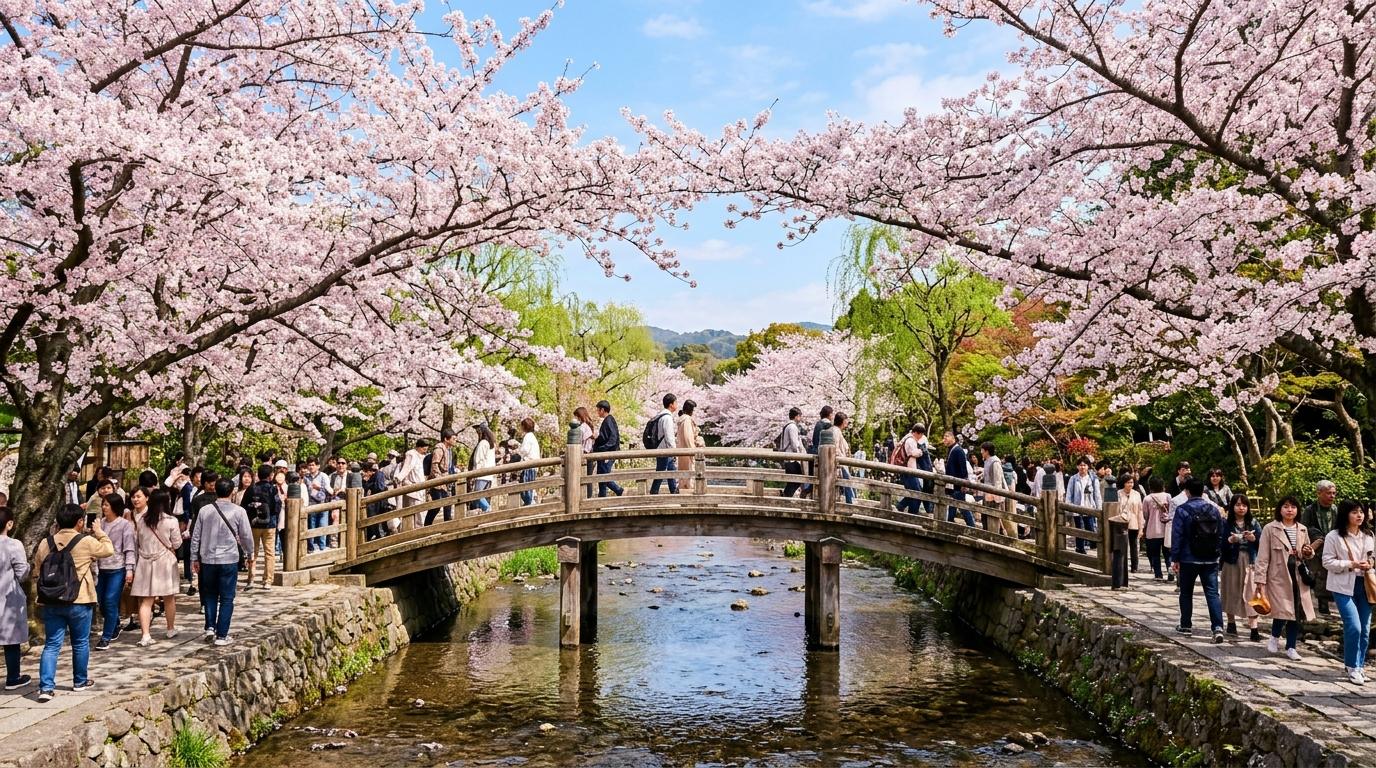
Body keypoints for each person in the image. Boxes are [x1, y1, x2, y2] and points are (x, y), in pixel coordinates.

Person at [33, 504, 114, 701]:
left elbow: (37, 570)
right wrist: (100, 533)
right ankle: (80, 681)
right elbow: (109, 550)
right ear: (80, 522)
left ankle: (46, 688)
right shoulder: (86, 541)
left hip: (51, 600)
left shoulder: (46, 542)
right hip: (80, 600)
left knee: (51, 644)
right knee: (80, 642)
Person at [192, 479, 255, 646]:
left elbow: (196, 535)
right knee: (227, 598)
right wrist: (250, 553)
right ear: (232, 492)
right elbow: (247, 535)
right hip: (229, 559)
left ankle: (210, 627)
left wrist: (194, 557)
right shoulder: (239, 511)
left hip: (208, 558)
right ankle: (222, 635)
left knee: (210, 594)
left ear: (216, 491)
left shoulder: (205, 511)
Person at [1254, 496, 1317, 660]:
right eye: (1286, 506)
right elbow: (1262, 556)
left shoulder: (1302, 529)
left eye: (1293, 507)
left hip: (1298, 575)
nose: (1290, 510)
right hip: (1278, 576)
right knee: (1282, 610)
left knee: (1296, 612)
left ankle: (1291, 646)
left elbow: (1307, 552)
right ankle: (1274, 637)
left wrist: (1309, 553)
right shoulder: (1270, 528)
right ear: (1280, 509)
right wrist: (1260, 580)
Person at [1322, 500, 1373, 684]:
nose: (1359, 515)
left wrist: (1370, 564)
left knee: (1365, 630)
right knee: (1354, 626)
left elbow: (1372, 557)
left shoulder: (1368, 536)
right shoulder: (1333, 536)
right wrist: (1350, 564)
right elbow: (1327, 562)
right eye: (1354, 512)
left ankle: (1360, 666)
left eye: (1361, 512)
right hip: (1342, 586)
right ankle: (1351, 666)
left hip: (1365, 586)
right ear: (1345, 514)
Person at [1170, 477, 1227, 643]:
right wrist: (1218, 553)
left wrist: (1175, 558)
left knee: (1186, 592)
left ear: (1187, 491)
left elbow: (1177, 535)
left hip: (1188, 558)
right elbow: (1220, 533)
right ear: (1203, 491)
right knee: (1212, 593)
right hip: (1210, 558)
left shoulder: (1182, 510)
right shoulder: (1213, 510)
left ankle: (1186, 624)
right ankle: (1217, 627)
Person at [130, 488, 183, 646]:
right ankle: (170, 628)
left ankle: (145, 635)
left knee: (146, 600)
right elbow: (177, 543)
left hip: (145, 562)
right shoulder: (170, 520)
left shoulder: (142, 520)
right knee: (169, 597)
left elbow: (137, 542)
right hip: (165, 562)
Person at [94, 493, 135, 650]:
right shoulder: (101, 523)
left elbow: (129, 548)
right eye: (103, 504)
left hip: (117, 567)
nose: (104, 507)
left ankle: (106, 637)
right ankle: (115, 623)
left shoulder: (124, 525)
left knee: (110, 600)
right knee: (102, 602)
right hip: (101, 568)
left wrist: (129, 569)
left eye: (107, 505)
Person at [1220, 495, 1262, 642]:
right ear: (1232, 506)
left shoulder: (1254, 523)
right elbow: (1220, 543)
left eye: (1244, 505)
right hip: (1231, 561)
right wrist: (1229, 540)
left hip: (1250, 561)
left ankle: (1254, 627)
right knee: (1230, 590)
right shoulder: (1226, 523)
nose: (1241, 508)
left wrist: (1253, 539)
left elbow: (1263, 542)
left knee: (1251, 593)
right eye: (1238, 505)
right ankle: (1231, 622)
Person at [0, 508, 29, 690]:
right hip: (8, 596)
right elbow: (22, 572)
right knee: (11, 639)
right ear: (9, 524)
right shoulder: (13, 545)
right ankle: (13, 677)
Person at [241, 465, 281, 589]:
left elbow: (244, 505)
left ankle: (251, 578)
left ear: (258, 475)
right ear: (271, 476)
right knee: (269, 553)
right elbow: (277, 506)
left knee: (253, 551)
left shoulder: (251, 489)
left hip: (253, 524)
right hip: (269, 524)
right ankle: (267, 581)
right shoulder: (272, 489)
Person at [1302, 480, 1338, 615]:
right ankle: (1322, 603)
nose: (1332, 496)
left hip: (1332, 546)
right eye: (1329, 493)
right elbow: (1304, 528)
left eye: (1334, 493)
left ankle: (1331, 600)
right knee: (1319, 574)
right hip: (1316, 547)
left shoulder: (1335, 509)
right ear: (1319, 493)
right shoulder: (1310, 510)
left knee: (1331, 572)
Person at [1065, 457, 1101, 554]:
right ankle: (1080, 548)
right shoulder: (1073, 479)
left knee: (1090, 527)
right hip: (1077, 507)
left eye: (1084, 465)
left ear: (1088, 466)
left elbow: (1097, 495)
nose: (1082, 467)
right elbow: (1069, 493)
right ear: (1077, 466)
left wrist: (1099, 509)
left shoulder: (1093, 479)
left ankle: (1093, 544)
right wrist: (1068, 508)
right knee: (1079, 527)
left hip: (1089, 507)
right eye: (1080, 465)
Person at [894, 424, 931, 514]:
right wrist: (921, 451)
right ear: (918, 433)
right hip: (909, 470)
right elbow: (914, 453)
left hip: (908, 470)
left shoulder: (908, 438)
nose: (921, 437)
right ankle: (912, 514)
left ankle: (900, 507)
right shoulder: (911, 440)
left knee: (914, 493)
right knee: (917, 494)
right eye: (921, 434)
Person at [942, 431, 975, 527]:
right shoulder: (951, 450)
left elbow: (963, 468)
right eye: (944, 437)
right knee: (954, 502)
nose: (945, 439)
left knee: (961, 505)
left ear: (953, 438)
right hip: (953, 482)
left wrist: (963, 483)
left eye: (947, 436)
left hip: (958, 482)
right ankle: (950, 521)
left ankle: (971, 525)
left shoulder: (958, 450)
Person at [1142, 477, 1173, 580]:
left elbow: (1145, 515)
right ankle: (1171, 572)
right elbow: (1171, 510)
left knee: (1155, 554)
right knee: (1168, 554)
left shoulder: (1147, 498)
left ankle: (1158, 574)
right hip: (1166, 530)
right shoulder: (1168, 496)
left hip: (1153, 530)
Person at [592, 400, 624, 498]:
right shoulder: (608, 420)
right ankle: (602, 496)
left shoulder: (609, 420)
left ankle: (618, 490)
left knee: (604, 475)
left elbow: (613, 438)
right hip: (604, 452)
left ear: (602, 410)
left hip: (607, 453)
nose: (597, 412)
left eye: (598, 410)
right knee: (601, 473)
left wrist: (603, 448)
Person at [395, 441, 429, 529]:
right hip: (413, 485)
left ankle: (419, 529)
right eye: (423, 448)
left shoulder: (423, 456)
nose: (424, 450)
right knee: (415, 511)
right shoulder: (411, 454)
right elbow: (407, 467)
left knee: (420, 511)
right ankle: (414, 530)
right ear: (418, 447)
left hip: (420, 486)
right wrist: (399, 477)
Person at [427, 428, 457, 525]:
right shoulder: (439, 448)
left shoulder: (449, 450)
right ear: (446, 439)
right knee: (437, 505)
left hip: (445, 481)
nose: (455, 441)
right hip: (438, 481)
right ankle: (427, 525)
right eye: (453, 439)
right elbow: (434, 465)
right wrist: (439, 479)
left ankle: (447, 525)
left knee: (447, 503)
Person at [301, 458, 331, 551]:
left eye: (313, 465)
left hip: (322, 504)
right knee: (311, 526)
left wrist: (318, 487)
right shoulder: (306, 477)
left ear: (318, 466)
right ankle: (311, 547)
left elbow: (328, 489)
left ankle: (322, 547)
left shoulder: (323, 476)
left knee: (322, 525)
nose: (311, 467)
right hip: (311, 504)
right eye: (309, 465)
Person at [777, 407, 806, 498]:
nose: (800, 418)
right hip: (792, 458)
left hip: (788, 458)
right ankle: (786, 496)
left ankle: (785, 496)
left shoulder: (787, 426)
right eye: (800, 416)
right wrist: (799, 455)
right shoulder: (792, 427)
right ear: (797, 416)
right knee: (797, 479)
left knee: (792, 480)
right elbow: (794, 444)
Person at [1117, 473, 1143, 574]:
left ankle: (1134, 566)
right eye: (1128, 482)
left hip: (1134, 522)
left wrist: (1141, 527)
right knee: (1122, 545)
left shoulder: (1136, 494)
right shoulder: (1118, 493)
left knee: (1134, 545)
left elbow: (1140, 511)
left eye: (1132, 482)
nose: (1130, 484)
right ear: (1124, 483)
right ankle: (1122, 565)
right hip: (1121, 521)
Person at [469, 424, 498, 512]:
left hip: (482, 474)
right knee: (483, 496)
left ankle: (488, 509)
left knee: (477, 495)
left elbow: (479, 459)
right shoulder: (491, 444)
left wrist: (475, 473)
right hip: (488, 475)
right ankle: (485, 511)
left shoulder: (483, 443)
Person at [676, 400, 704, 477]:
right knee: (689, 472)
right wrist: (693, 451)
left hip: (682, 450)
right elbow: (688, 437)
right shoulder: (687, 420)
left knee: (684, 472)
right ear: (690, 410)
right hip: (688, 450)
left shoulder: (682, 419)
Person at [518, 418, 543, 504]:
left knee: (526, 486)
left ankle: (529, 503)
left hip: (529, 465)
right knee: (528, 486)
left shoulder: (528, 436)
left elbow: (525, 450)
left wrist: (518, 450)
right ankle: (529, 502)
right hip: (533, 465)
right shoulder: (532, 436)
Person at [834, 413, 855, 505]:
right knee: (847, 482)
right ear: (842, 421)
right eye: (846, 420)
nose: (848, 422)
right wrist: (843, 457)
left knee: (848, 481)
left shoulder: (837, 430)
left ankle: (851, 501)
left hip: (842, 461)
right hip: (841, 461)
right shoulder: (836, 431)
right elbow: (835, 447)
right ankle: (851, 503)